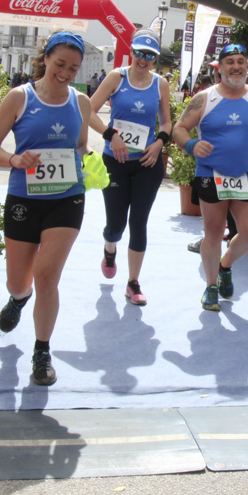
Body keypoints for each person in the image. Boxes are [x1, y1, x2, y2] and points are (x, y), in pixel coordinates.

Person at [0, 31, 91, 386]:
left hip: (67, 197)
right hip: (24, 198)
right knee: (19, 279)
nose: (66, 73)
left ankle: (42, 351)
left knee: (47, 276)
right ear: (45, 58)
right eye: (60, 64)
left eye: (73, 68)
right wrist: (14, 159)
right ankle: (18, 297)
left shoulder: (82, 101)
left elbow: (82, 145)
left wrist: (89, 162)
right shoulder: (19, 97)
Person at [172, 43, 248, 311]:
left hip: (245, 176)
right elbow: (179, 128)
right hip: (210, 173)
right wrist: (190, 145)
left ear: (247, 67)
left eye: (241, 61)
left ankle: (225, 265)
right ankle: (211, 286)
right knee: (212, 233)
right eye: (230, 61)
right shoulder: (205, 98)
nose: (236, 66)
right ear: (220, 68)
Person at [87, 30, 171, 306]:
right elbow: (88, 110)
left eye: (150, 56)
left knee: (139, 222)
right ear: (131, 52)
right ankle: (109, 248)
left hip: (147, 163)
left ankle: (133, 282)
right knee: (116, 225)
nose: (143, 60)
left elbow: (167, 123)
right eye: (139, 53)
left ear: (155, 59)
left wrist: (160, 142)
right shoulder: (116, 78)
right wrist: (111, 134)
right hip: (116, 163)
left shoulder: (160, 84)